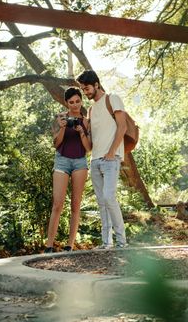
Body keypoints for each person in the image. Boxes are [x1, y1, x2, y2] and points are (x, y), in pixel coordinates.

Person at [77, 70, 128, 249]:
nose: (86, 92)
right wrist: (82, 132)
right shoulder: (90, 110)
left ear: (96, 84)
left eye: (87, 88)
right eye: (83, 89)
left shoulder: (112, 98)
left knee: (109, 197)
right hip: (95, 160)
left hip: (110, 158)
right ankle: (107, 242)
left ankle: (122, 241)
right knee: (101, 202)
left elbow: (122, 126)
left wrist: (112, 152)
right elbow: (90, 145)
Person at [44, 87, 91, 253]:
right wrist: (63, 127)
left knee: (75, 205)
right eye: (71, 102)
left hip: (80, 162)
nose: (75, 105)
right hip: (62, 161)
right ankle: (49, 246)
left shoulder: (86, 121)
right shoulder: (59, 118)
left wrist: (81, 133)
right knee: (57, 204)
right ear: (66, 103)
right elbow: (56, 144)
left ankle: (69, 245)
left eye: (78, 101)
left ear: (81, 101)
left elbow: (88, 148)